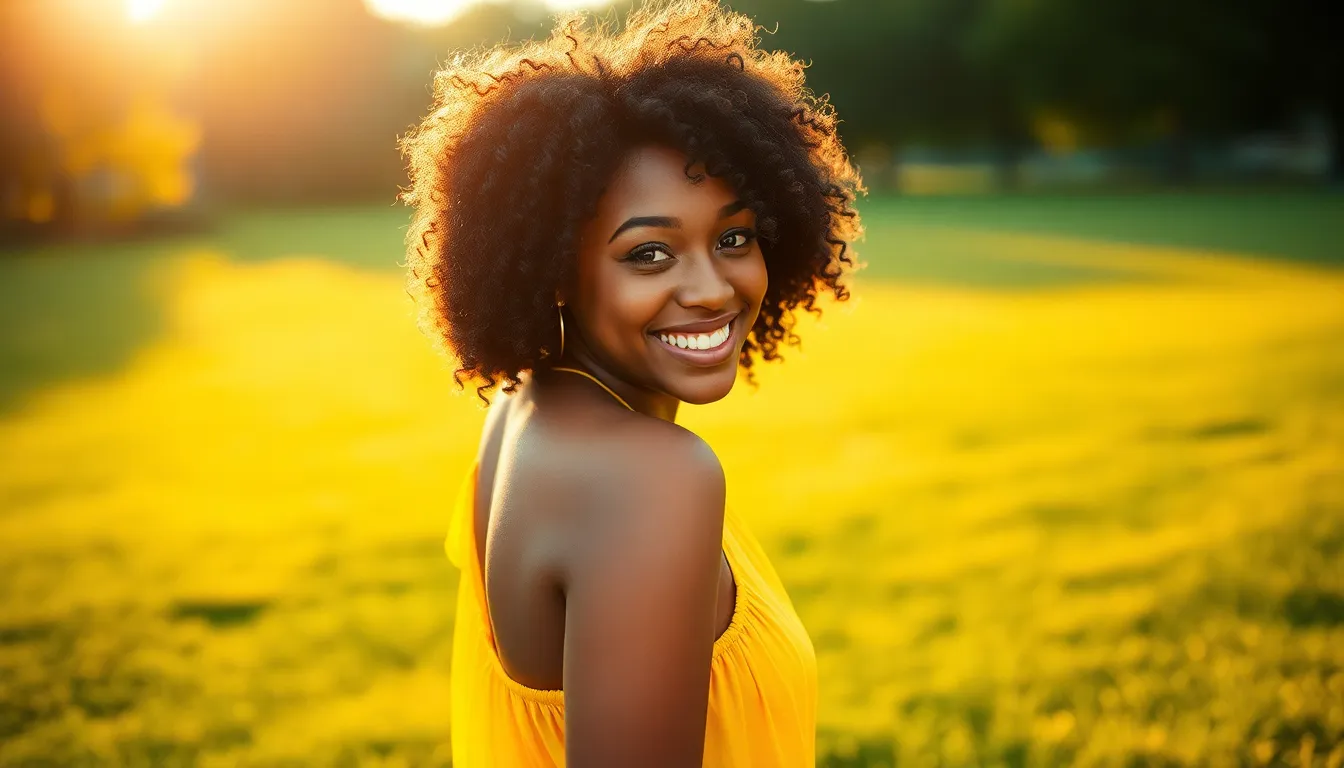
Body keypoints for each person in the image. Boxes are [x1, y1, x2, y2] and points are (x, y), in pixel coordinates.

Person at [399, 1, 863, 764]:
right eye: (649, 253)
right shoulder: (653, 478)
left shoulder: (524, 408)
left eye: (734, 238)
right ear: (553, 270)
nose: (712, 288)